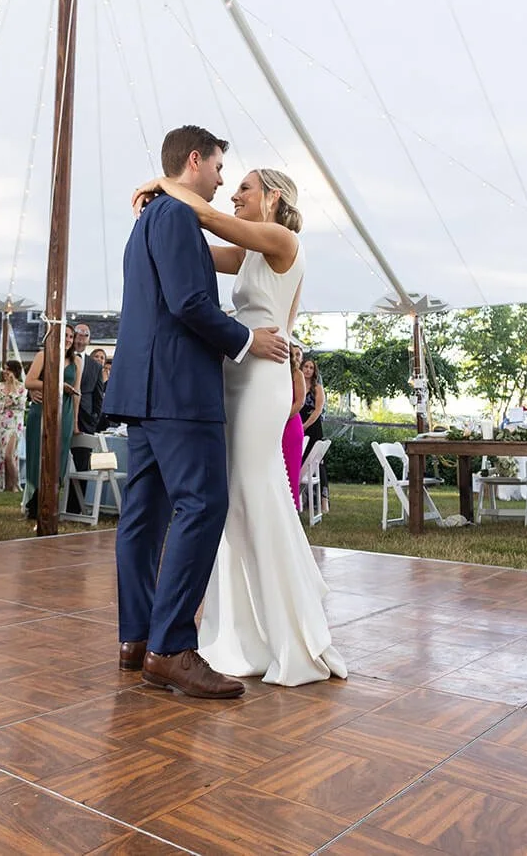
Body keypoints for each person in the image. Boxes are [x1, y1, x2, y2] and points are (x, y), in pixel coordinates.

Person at [132, 160, 347, 689]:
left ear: (272, 196)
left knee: (254, 491)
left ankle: (292, 633)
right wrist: (155, 221)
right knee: (229, 499)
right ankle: (243, 636)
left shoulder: (278, 238)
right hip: (235, 370)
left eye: (245, 188)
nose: (234, 195)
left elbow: (207, 217)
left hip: (262, 373)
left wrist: (168, 185)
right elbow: (193, 249)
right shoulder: (251, 250)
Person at [106, 125, 290, 699]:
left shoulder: (148, 221)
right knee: (202, 505)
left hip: (143, 386)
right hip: (181, 389)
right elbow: (188, 301)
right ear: (195, 160)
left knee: (143, 515)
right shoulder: (178, 216)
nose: (220, 181)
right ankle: (172, 650)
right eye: (216, 169)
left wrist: (158, 186)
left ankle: (135, 640)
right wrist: (243, 340)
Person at [23, 328, 81, 519]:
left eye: (71, 337)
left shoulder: (77, 362)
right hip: (41, 411)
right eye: (65, 335)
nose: (68, 339)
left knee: (58, 456)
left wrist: (75, 423)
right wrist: (55, 385)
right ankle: (34, 502)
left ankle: (50, 501)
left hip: (64, 413)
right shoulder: (43, 355)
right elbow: (29, 382)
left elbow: (76, 394)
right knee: (37, 455)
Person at [0, 360, 27, 491]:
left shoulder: (22, 387)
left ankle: (16, 484)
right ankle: (7, 485)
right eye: (4, 369)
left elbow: (21, 404)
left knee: (9, 455)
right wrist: (5, 404)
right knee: (3, 455)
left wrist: (11, 388)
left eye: (8, 369)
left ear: (15, 371)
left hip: (14, 424)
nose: (5, 372)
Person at [300, 354, 329, 510]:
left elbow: (318, 410)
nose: (308, 370)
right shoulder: (295, 385)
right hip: (297, 426)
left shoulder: (317, 388)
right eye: (306, 367)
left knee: (318, 462)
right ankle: (302, 499)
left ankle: (323, 500)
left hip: (313, 427)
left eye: (311, 368)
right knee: (301, 461)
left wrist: (305, 425)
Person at [283, 345, 307, 506]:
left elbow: (300, 402)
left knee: (290, 467)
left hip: (291, 425)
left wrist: (283, 418)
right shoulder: (276, 373)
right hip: (273, 425)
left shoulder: (296, 374)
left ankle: (292, 506)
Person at [77, 330, 107, 434]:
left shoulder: (95, 367)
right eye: (78, 334)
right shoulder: (62, 358)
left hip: (86, 419)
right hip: (63, 414)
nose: (81, 337)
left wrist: (94, 417)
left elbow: (98, 396)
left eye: (86, 335)